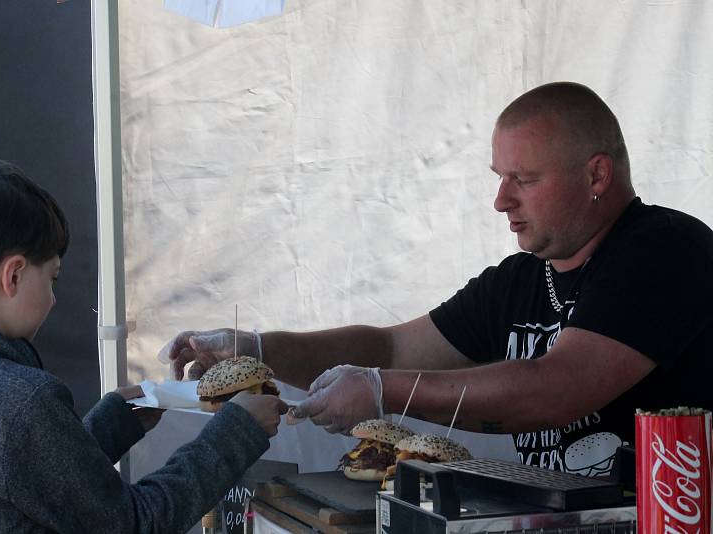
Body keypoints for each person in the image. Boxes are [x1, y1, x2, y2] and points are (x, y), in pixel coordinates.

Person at [163, 82, 713, 476]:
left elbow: (558, 387)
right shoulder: (519, 280)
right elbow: (392, 345)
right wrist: (259, 349)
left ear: (596, 174)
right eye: (500, 178)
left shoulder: (664, 248)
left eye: (524, 179)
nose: (500, 201)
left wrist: (381, 390)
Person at [0, 159, 287, 533]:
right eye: (52, 278)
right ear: (13, 275)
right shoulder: (22, 402)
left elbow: (22, 481)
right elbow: (135, 524)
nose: (53, 300)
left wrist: (114, 421)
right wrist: (239, 430)